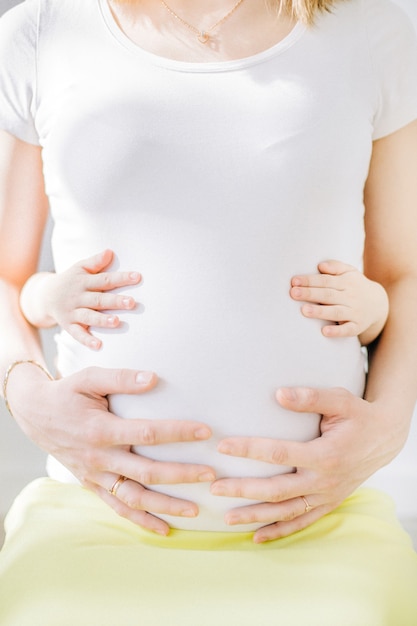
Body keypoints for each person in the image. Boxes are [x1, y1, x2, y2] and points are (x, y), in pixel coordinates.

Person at [1, 0, 417, 624]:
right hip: (96, 510)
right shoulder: (39, 32)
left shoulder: (372, 28)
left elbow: (402, 276)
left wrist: (388, 425)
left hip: (321, 519)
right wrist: (25, 391)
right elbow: (5, 276)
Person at [19, 251, 389, 350]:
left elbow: (391, 301)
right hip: (99, 499)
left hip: (320, 499)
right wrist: (47, 295)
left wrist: (376, 305)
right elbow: (20, 290)